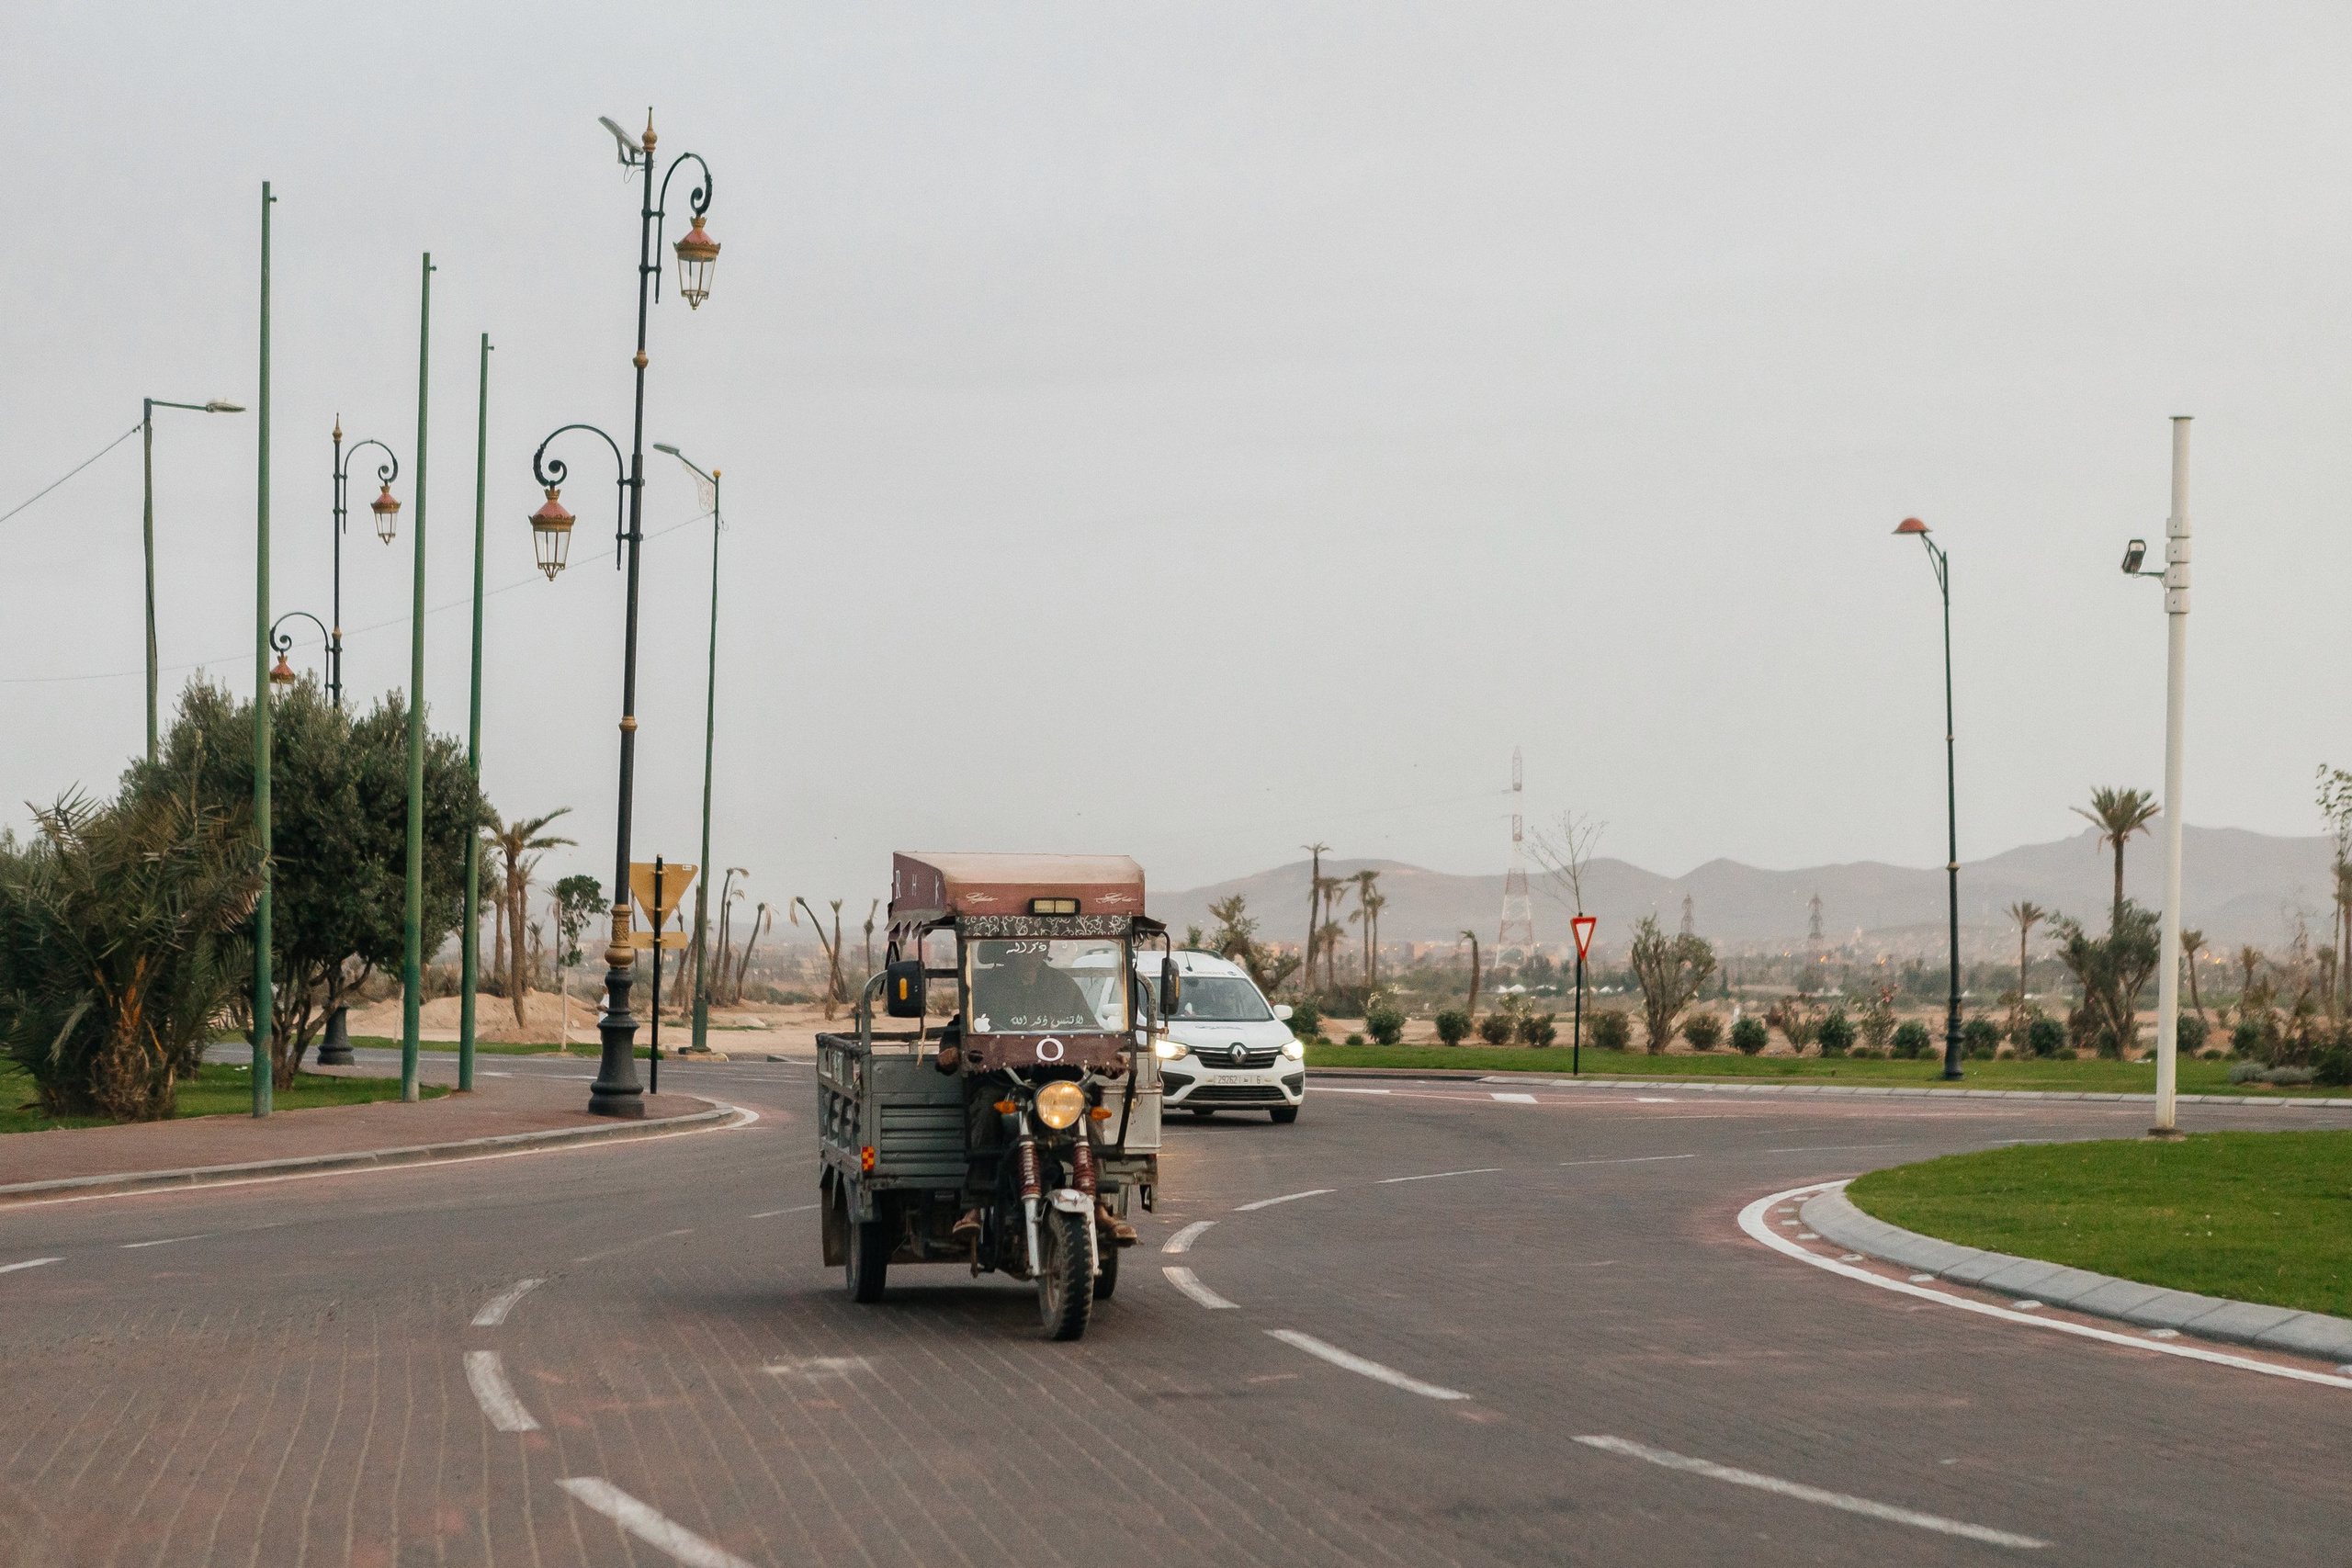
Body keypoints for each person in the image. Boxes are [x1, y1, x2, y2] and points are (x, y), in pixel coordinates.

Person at [969, 942, 1096, 1033]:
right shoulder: (987, 987)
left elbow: (1091, 1030)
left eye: (1037, 945)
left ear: (1045, 949)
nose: (1030, 952)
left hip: (1058, 1066)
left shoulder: (1064, 985)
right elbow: (967, 1026)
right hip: (1000, 1067)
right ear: (1010, 951)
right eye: (1023, 946)